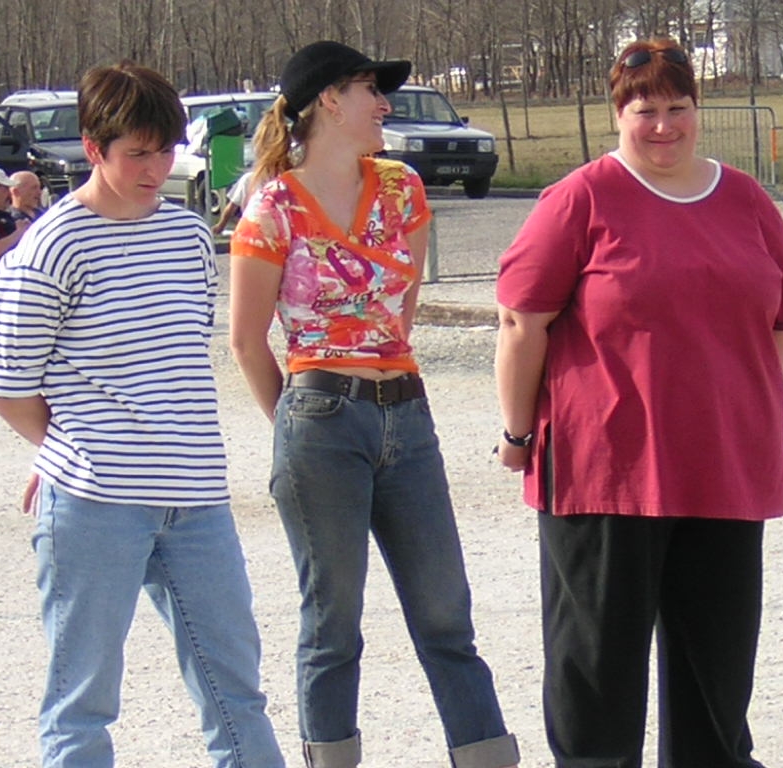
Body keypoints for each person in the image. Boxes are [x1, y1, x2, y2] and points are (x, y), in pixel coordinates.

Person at [494, 39, 783, 768]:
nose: (663, 125)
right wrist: (517, 432)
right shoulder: (582, 198)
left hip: (723, 468)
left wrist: (750, 418)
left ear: (698, 110)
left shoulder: (745, 199)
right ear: (618, 115)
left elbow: (780, 323)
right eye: (645, 111)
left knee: (716, 672)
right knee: (597, 668)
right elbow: (522, 322)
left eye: (678, 109)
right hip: (606, 469)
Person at [0, 61, 285, 768]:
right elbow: (4, 384)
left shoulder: (185, 237)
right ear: (93, 148)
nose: (156, 167)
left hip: (197, 501)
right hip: (93, 504)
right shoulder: (51, 246)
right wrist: (67, 451)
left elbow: (177, 366)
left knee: (236, 695)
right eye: (136, 153)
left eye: (167, 149)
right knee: (82, 703)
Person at [229, 40, 520, 768]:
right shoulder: (272, 207)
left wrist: (372, 384)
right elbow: (245, 339)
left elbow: (400, 307)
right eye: (369, 89)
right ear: (328, 99)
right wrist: (298, 427)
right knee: (334, 626)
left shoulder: (402, 189)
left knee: (446, 614)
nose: (384, 104)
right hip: (320, 415)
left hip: (406, 411)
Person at [211, 169, 254, 235]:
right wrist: (220, 226)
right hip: (251, 229)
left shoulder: (249, 178)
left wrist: (220, 226)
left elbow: (232, 206)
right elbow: (232, 206)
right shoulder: (249, 179)